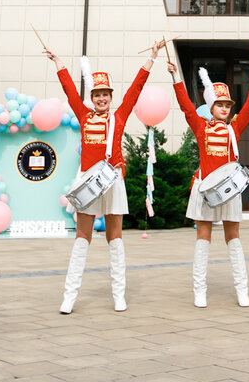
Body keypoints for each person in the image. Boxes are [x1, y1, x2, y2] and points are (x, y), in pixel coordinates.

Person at [47, 40, 164, 314]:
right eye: (97, 94)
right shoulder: (83, 116)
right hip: (88, 181)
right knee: (81, 237)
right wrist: (58, 62)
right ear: (91, 97)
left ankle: (118, 295)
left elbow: (135, 90)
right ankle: (69, 297)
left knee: (115, 237)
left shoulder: (119, 117)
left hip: (113, 181)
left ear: (111, 97)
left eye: (105, 95)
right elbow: (68, 90)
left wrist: (152, 58)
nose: (101, 99)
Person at [167, 56, 249, 308]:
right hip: (204, 188)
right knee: (203, 237)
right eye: (219, 104)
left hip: (229, 190)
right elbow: (186, 106)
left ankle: (242, 289)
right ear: (211, 107)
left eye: (227, 105)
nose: (224, 108)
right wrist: (176, 76)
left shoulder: (235, 127)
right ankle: (200, 291)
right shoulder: (200, 127)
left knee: (234, 237)